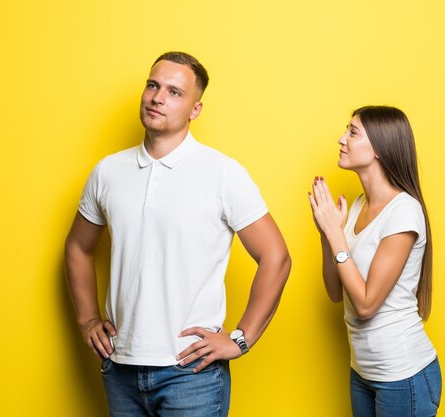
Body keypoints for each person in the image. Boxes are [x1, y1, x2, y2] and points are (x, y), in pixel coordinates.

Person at [65, 51, 291, 417]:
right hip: (120, 366)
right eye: (153, 85)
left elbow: (276, 257)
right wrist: (88, 319)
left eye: (174, 92)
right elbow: (78, 246)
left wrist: (241, 338)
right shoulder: (108, 171)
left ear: (195, 109)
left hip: (191, 374)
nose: (157, 97)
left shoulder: (222, 173)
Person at [307, 106, 442, 417]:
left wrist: (335, 235)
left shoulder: (404, 212)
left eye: (353, 132)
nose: (341, 139)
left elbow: (366, 304)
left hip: (403, 375)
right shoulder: (358, 206)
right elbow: (335, 292)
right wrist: (327, 234)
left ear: (380, 148)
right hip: (364, 372)